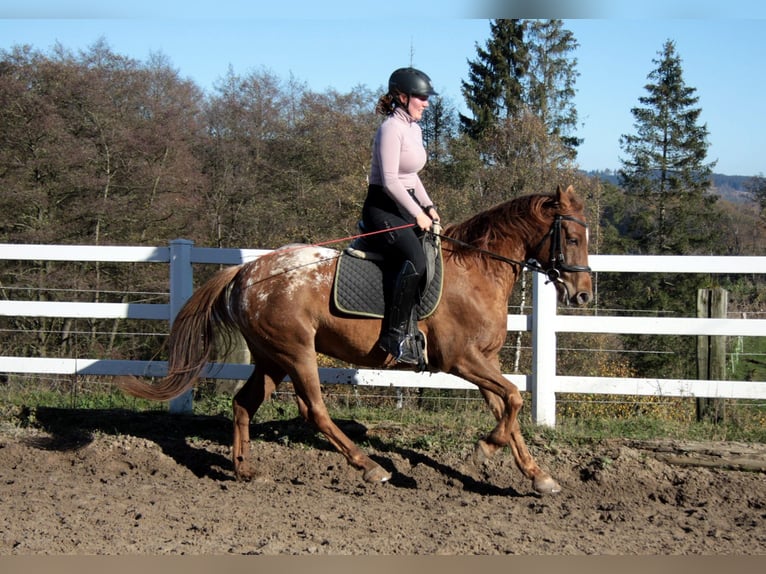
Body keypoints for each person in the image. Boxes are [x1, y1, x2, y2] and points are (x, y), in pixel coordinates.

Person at [361, 67, 441, 365]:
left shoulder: (414, 129)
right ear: (402, 97)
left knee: (432, 252)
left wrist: (429, 206)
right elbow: (391, 180)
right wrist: (417, 213)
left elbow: (411, 176)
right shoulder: (390, 129)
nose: (426, 103)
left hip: (404, 205)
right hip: (382, 209)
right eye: (421, 97)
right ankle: (393, 335)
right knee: (415, 260)